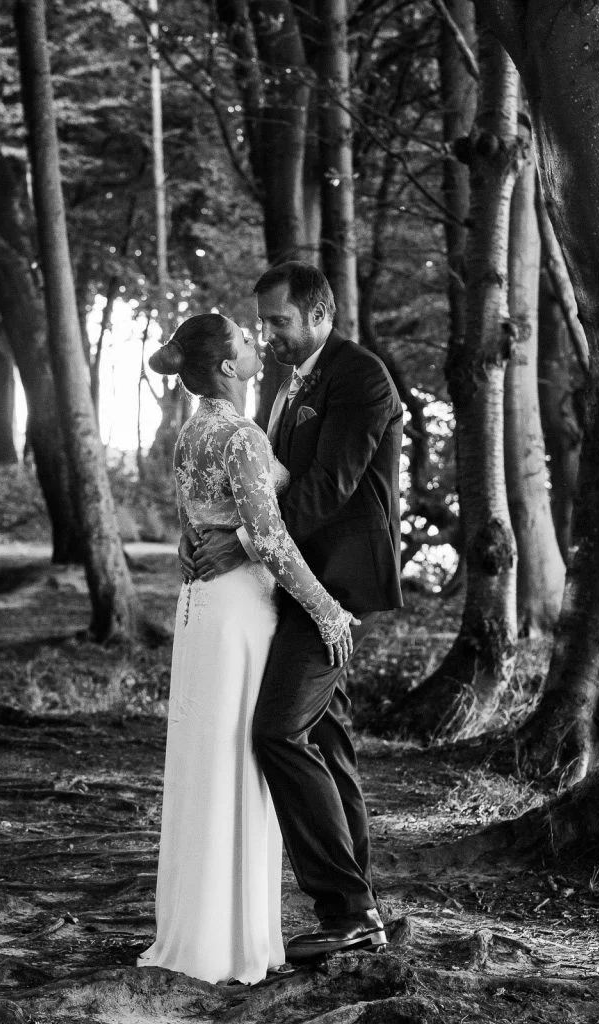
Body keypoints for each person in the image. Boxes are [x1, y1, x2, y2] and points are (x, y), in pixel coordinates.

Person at [187, 262, 403, 963]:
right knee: (327, 741)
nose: (268, 335)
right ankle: (363, 906)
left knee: (278, 732)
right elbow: (268, 481)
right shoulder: (284, 381)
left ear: (318, 314)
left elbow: (330, 487)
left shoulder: (361, 376)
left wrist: (249, 546)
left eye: (278, 322)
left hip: (334, 585)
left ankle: (346, 912)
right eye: (263, 324)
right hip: (295, 581)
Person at [137, 311, 358, 986]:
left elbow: (204, 522)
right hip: (238, 607)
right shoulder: (240, 435)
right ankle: (233, 941)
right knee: (238, 759)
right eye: (241, 336)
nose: (254, 343)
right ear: (229, 366)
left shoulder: (192, 432)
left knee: (210, 759)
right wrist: (329, 611)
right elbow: (267, 538)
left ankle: (199, 930)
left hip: (202, 607)